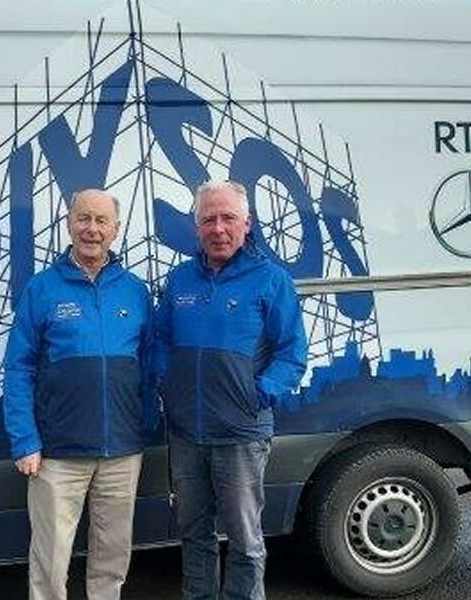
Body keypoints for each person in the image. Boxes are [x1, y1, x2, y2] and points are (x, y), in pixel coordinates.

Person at [154, 180, 308, 600]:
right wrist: (169, 386)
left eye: (228, 218)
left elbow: (292, 353)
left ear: (247, 223)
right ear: (196, 226)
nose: (218, 228)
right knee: (194, 533)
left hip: (241, 433)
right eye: (209, 219)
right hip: (186, 433)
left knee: (244, 538)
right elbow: (161, 340)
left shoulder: (271, 280)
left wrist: (256, 396)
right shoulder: (180, 279)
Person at [2, 188, 154, 600]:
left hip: (122, 451)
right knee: (50, 560)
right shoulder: (42, 289)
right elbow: (18, 369)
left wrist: (144, 425)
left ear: (116, 230)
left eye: (102, 221)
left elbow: (151, 364)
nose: (92, 229)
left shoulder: (135, 291)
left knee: (112, 558)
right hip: (57, 453)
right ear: (69, 224)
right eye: (83, 218)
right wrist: (25, 440)